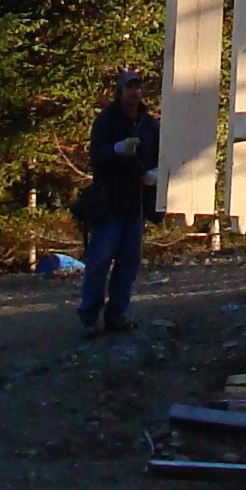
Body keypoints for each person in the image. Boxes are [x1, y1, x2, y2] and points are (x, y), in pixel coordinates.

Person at [76, 67, 158, 335]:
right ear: (120, 90)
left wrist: (156, 175)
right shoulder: (106, 121)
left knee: (128, 263)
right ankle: (89, 315)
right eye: (129, 87)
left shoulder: (149, 124)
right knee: (99, 260)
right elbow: (96, 158)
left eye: (138, 86)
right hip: (110, 201)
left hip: (136, 202)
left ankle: (117, 315)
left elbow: (159, 155)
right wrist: (115, 150)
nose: (134, 92)